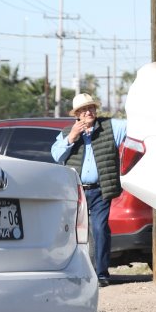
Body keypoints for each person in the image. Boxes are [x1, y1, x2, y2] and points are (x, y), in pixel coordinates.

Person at [51, 93, 128, 287]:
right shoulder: (67, 132)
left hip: (101, 189)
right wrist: (72, 137)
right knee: (76, 233)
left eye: (91, 108)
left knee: (100, 229)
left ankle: (101, 274)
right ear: (76, 114)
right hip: (76, 192)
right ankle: (77, 271)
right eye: (84, 110)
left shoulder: (110, 127)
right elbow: (56, 155)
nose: (89, 112)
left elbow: (133, 126)